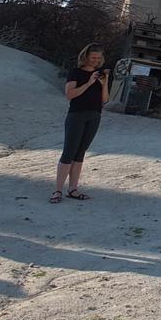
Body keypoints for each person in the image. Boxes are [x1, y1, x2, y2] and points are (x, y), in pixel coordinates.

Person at [52, 43, 109, 203]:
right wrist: (89, 83)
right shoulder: (75, 72)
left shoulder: (100, 75)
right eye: (93, 57)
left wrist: (104, 84)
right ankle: (57, 190)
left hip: (95, 115)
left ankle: (73, 189)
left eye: (98, 58)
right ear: (85, 56)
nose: (95, 61)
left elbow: (105, 100)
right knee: (69, 152)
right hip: (76, 114)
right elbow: (69, 95)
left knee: (80, 153)